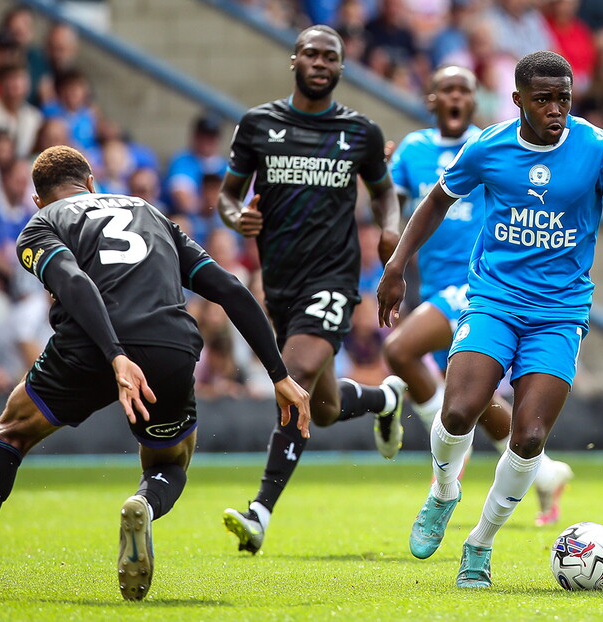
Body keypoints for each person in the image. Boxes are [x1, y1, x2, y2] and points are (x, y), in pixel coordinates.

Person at [0, 145, 310, 601]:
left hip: (90, 347)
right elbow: (229, 288)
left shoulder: (41, 225)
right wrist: (279, 374)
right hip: (170, 345)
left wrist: (115, 355)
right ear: (90, 184)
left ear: (39, 199)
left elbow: (75, 282)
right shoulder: (150, 212)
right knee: (170, 460)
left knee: (10, 432)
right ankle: (143, 503)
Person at [377, 51, 603, 588]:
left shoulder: (596, 149)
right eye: (543, 99)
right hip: (493, 299)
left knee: (528, 437)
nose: (555, 110)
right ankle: (443, 492)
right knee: (458, 411)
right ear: (518, 100)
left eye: (564, 99)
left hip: (559, 311)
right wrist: (395, 266)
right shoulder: (488, 146)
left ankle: (479, 544)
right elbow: (435, 201)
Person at [217, 25, 405, 555]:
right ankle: (382, 398)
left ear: (341, 68)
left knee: (293, 375)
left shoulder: (360, 132)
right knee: (319, 408)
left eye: (331, 56)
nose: (320, 62)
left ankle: (259, 513)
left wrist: (389, 227)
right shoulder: (258, 125)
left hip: (333, 278)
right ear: (294, 60)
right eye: (312, 53)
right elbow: (228, 197)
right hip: (279, 283)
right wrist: (237, 219)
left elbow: (385, 193)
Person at [384, 65, 574, 527]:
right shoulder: (413, 149)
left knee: (399, 349)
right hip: (434, 286)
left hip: (479, 284)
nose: (454, 97)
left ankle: (455, 455)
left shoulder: (493, 142)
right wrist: (389, 222)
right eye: (445, 88)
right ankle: (545, 472)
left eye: (463, 90)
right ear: (431, 98)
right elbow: (390, 194)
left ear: (475, 100)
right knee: (469, 396)